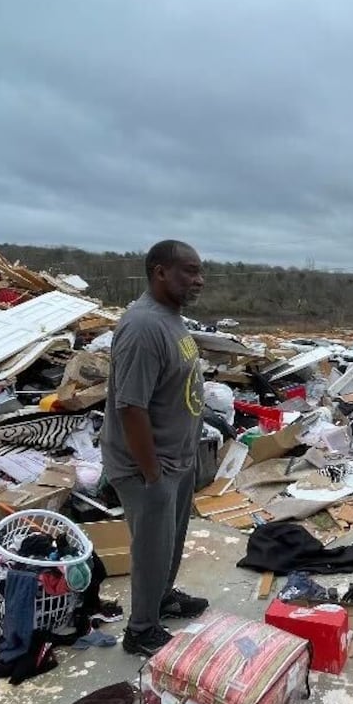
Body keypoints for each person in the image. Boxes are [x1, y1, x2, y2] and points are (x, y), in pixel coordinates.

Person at [101, 240, 211, 657]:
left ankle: (161, 599)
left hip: (175, 459)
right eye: (189, 271)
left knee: (169, 543)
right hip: (148, 466)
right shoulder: (143, 326)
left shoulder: (171, 319)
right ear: (159, 272)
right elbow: (131, 406)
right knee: (151, 549)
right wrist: (151, 473)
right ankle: (141, 630)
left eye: (200, 271)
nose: (199, 280)